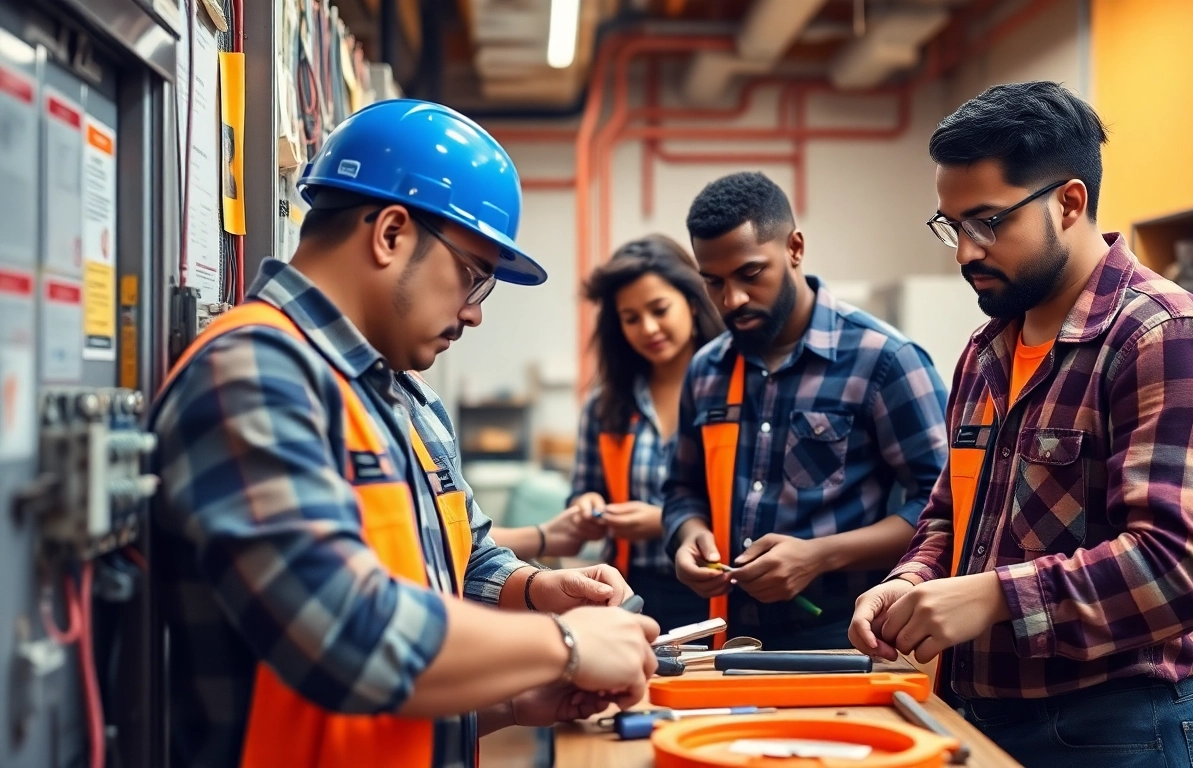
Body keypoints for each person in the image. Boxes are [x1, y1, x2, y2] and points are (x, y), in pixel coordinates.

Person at [149, 99, 658, 768]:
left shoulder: (403, 396)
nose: (473, 314)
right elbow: (344, 632)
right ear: (390, 233)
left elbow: (457, 561)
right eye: (472, 277)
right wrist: (564, 644)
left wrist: (533, 610)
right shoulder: (251, 376)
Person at [848, 81, 1193, 768]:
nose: (964, 253)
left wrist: (996, 597)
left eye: (987, 223)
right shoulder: (987, 350)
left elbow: (1181, 568)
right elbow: (952, 517)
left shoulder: (1164, 338)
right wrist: (912, 580)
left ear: (1069, 203)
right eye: (952, 226)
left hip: (1114, 733)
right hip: (976, 714)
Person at [663, 171, 950, 650]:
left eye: (750, 274)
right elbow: (681, 489)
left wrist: (821, 556)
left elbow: (945, 507)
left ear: (794, 248)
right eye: (713, 282)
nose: (732, 300)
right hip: (727, 634)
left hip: (841, 638)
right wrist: (688, 534)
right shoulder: (707, 370)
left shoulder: (885, 360)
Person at [496, 236, 726, 630]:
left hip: (716, 586)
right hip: (630, 591)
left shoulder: (731, 392)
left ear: (692, 301)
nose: (648, 328)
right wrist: (587, 505)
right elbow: (585, 490)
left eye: (660, 309)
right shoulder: (606, 403)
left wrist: (665, 521)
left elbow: (752, 506)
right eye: (631, 318)